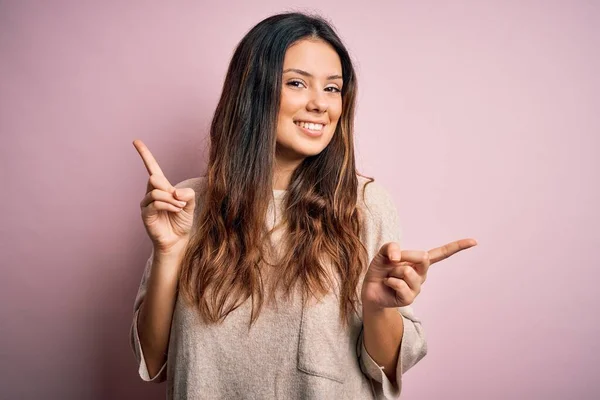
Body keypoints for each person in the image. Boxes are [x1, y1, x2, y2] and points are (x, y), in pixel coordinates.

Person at [130, 12, 476, 400]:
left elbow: (386, 363)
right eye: (297, 83)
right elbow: (155, 360)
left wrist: (380, 308)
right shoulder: (188, 204)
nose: (320, 104)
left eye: (332, 89)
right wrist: (168, 252)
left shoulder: (364, 205)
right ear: (253, 91)